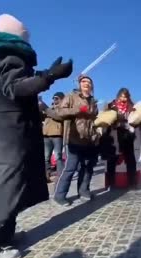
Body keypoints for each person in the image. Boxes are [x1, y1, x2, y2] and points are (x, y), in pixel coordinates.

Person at [0, 14, 73, 258]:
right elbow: (17, 88)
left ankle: (2, 236)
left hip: (3, 130)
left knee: (9, 184)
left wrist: (44, 74)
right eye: (26, 34)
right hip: (8, 132)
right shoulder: (12, 57)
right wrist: (50, 76)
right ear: (19, 37)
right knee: (4, 187)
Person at [52, 75, 99, 206]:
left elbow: (93, 120)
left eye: (89, 82)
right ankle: (59, 195)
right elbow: (59, 111)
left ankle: (83, 191)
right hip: (74, 137)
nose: (86, 84)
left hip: (88, 139)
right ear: (79, 84)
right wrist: (77, 110)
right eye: (84, 82)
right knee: (70, 168)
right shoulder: (71, 96)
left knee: (87, 168)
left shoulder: (93, 101)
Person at [42, 92, 65, 182]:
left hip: (57, 135)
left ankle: (60, 176)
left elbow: (58, 116)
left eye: (56, 98)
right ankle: (46, 176)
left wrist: (46, 109)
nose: (54, 100)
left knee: (58, 156)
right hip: (46, 135)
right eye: (53, 98)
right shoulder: (49, 108)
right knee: (46, 157)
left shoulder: (63, 108)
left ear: (61, 99)